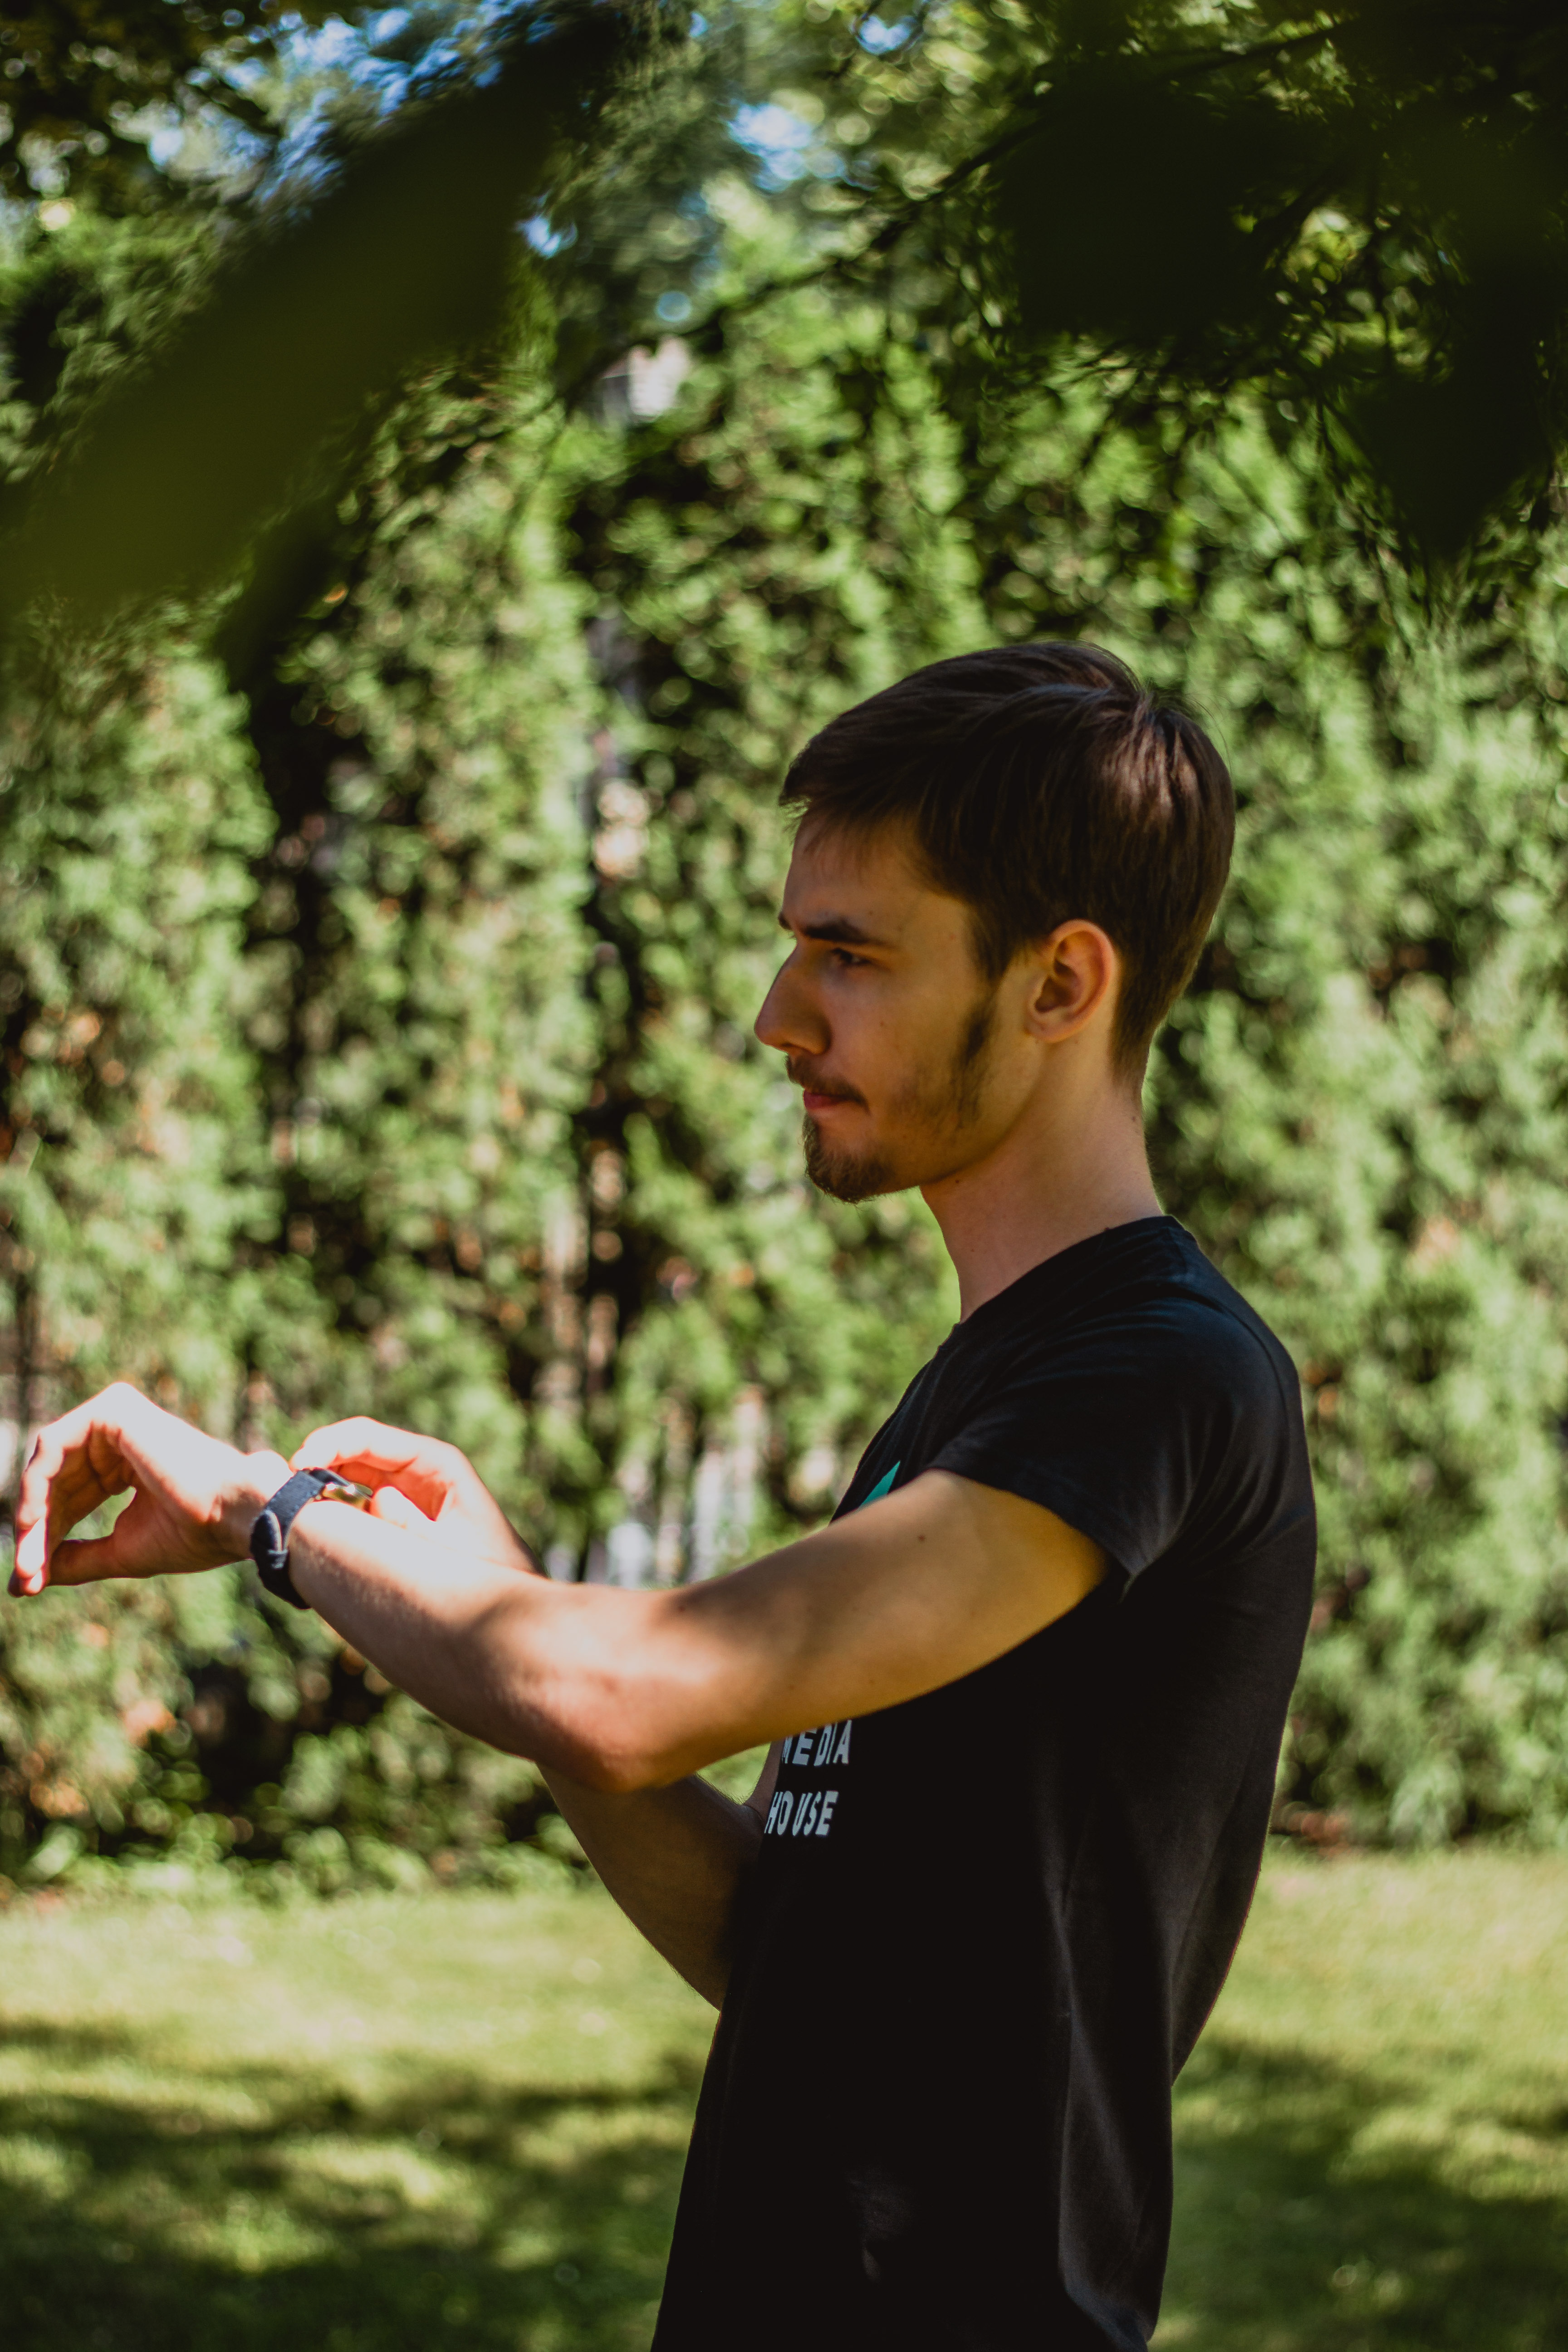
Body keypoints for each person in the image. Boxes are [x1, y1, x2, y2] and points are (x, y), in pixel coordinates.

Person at [11, 641, 1316, 2351]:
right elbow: (776, 1937)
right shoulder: (986, 1390)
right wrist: (508, 1610)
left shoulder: (1156, 1378)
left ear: (1061, 983)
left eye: (850, 955)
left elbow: (627, 1694)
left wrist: (278, 1513)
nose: (780, 1016)